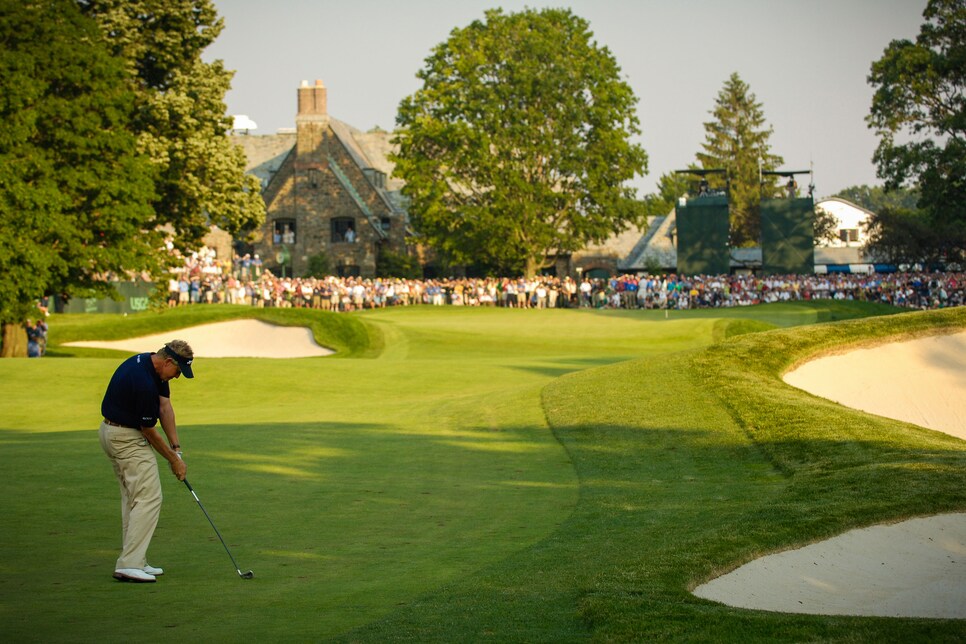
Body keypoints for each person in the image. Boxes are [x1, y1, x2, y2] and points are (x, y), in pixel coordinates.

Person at [99, 340, 194, 583]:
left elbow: (165, 407)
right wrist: (174, 461)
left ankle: (135, 559)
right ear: (169, 362)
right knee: (149, 497)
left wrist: (176, 448)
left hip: (115, 432)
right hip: (125, 437)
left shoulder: (155, 369)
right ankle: (129, 564)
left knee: (134, 498)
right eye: (178, 372)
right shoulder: (143, 383)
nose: (178, 377)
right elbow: (149, 430)